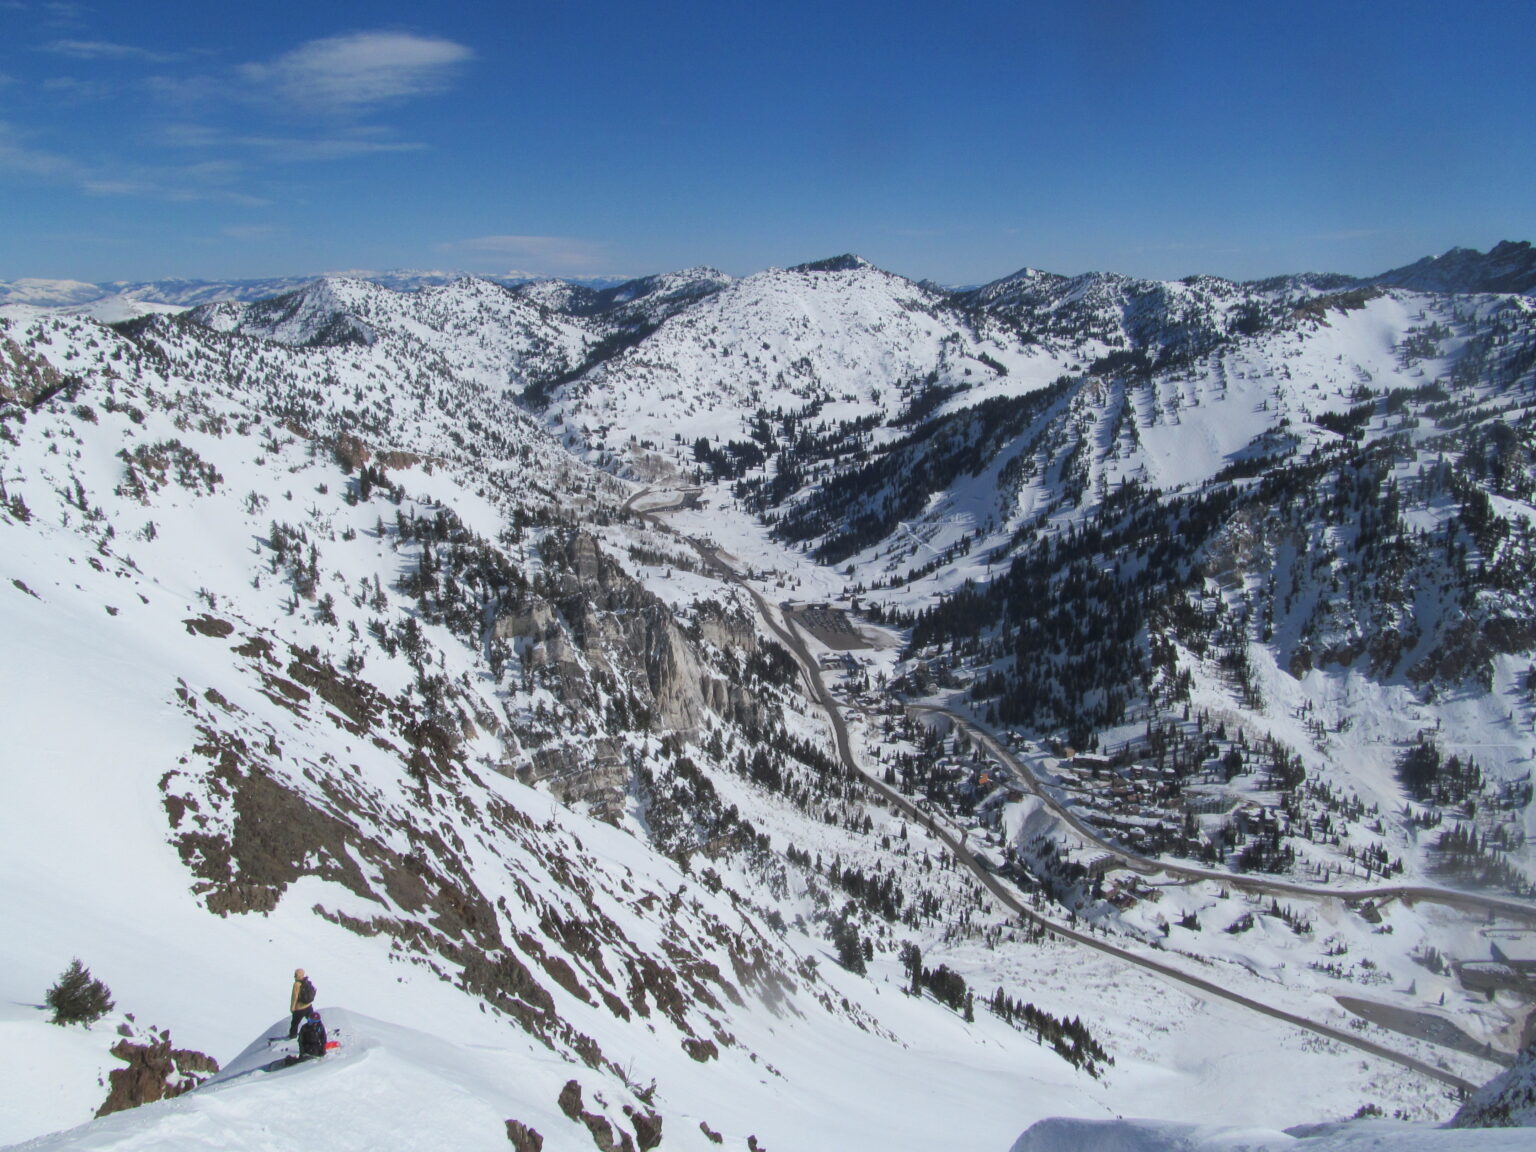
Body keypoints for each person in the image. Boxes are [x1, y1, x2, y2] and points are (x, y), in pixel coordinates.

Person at [288, 968, 316, 1039]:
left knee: (294, 1023)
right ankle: (317, 1030)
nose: (294, 976)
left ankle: (293, 1035)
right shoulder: (306, 981)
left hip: (300, 1008)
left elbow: (294, 997)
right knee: (312, 1020)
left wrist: (292, 1008)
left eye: (295, 975)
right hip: (309, 1006)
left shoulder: (296, 984)